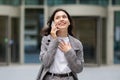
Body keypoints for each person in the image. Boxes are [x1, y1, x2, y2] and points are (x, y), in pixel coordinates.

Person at [36, 8, 84, 80]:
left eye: (64, 17)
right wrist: (55, 40)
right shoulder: (46, 40)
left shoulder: (77, 43)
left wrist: (69, 52)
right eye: (57, 18)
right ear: (53, 23)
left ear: (69, 22)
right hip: (50, 78)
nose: (61, 19)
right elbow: (46, 63)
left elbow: (79, 69)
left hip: (69, 78)